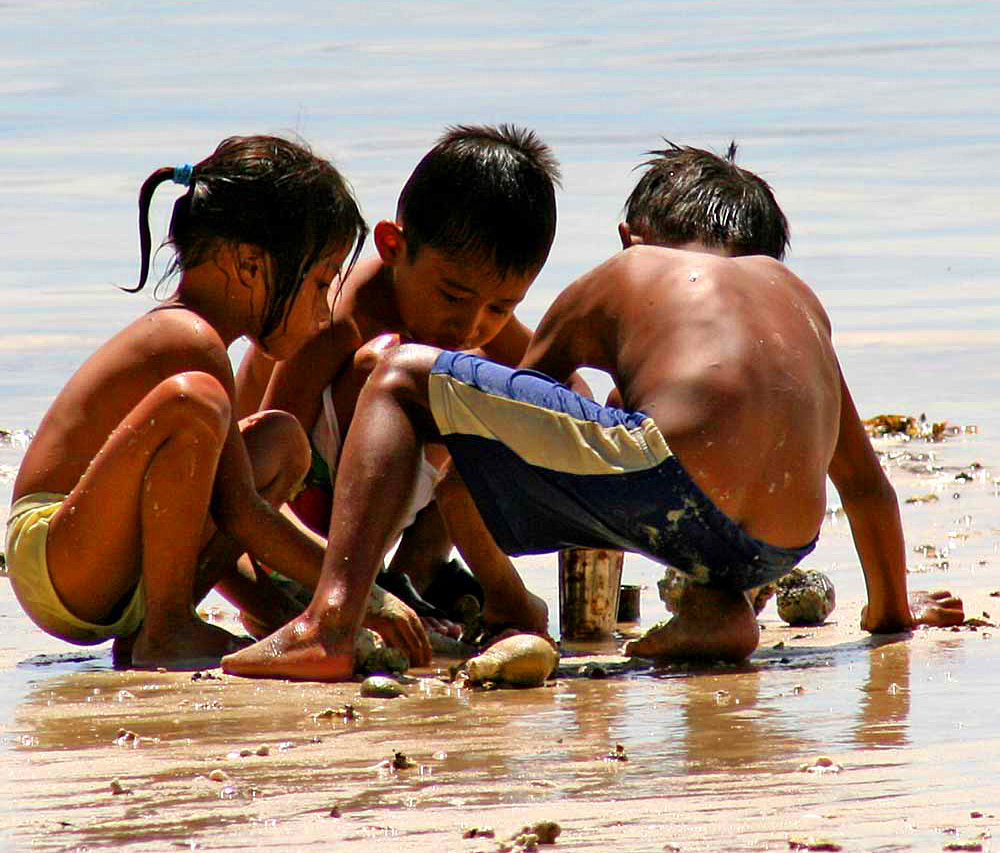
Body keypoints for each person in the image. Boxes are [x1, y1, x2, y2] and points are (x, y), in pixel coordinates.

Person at [221, 141, 963, 681]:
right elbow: (866, 486)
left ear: (631, 238)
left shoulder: (629, 268)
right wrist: (893, 614)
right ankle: (717, 610)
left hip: (666, 483)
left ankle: (331, 621)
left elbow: (497, 420)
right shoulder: (798, 307)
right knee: (665, 452)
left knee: (405, 379)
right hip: (778, 543)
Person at [5, 135, 368, 670]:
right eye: (319, 283)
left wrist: (291, 608)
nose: (322, 313)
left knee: (281, 441)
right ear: (248, 264)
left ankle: (168, 626)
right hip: (58, 555)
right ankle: (169, 629)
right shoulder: (189, 340)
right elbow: (241, 513)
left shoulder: (202, 343)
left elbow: (201, 508)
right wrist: (363, 593)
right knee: (195, 402)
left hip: (103, 568)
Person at [231, 124, 562, 644]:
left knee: (475, 382)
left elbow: (558, 381)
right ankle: (360, 586)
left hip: (365, 530)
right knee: (392, 369)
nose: (470, 324)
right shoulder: (338, 321)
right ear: (392, 245)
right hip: (292, 536)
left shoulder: (467, 317)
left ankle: (416, 571)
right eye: (452, 296)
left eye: (500, 308)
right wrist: (285, 592)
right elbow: (269, 458)